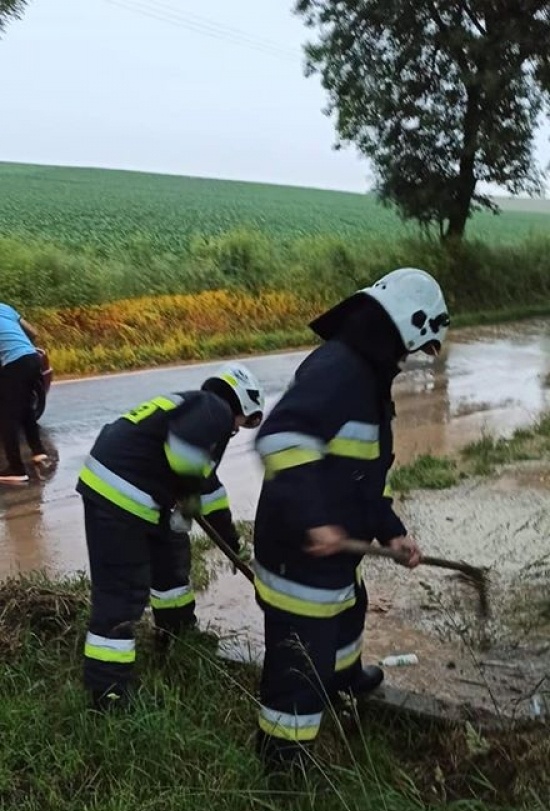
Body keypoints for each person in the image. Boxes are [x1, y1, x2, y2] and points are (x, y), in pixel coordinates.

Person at [253, 268, 450, 771]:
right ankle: (284, 765)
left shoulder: (368, 376)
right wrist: (314, 519)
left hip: (334, 559)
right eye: (417, 347)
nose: (412, 360)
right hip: (299, 554)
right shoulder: (341, 370)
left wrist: (393, 533)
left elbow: (363, 481)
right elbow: (280, 437)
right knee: (299, 667)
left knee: (349, 611)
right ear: (406, 326)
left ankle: (343, 684)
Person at [77, 362, 265, 710]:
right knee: (121, 595)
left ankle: (177, 634)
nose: (237, 430)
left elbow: (211, 493)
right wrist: (189, 493)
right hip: (120, 496)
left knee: (172, 562)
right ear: (243, 402)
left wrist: (235, 546)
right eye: (244, 422)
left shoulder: (193, 409)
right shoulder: (214, 409)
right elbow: (184, 454)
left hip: (132, 490)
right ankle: (109, 694)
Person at [0, 302, 48, 484]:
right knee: (26, 408)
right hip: (33, 358)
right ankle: (38, 451)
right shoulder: (4, 308)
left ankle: (16, 469)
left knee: (7, 416)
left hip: (15, 364)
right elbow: (33, 332)